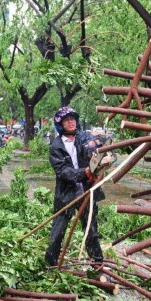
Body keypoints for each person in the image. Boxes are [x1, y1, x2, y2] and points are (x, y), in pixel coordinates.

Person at [45, 106, 106, 269]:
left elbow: (101, 145)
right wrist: (84, 172)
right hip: (66, 194)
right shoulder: (56, 147)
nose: (71, 122)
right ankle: (50, 264)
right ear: (60, 124)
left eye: (73, 118)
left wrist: (98, 156)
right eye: (67, 120)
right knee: (58, 231)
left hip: (87, 191)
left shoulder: (84, 137)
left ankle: (97, 263)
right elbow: (63, 171)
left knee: (91, 230)